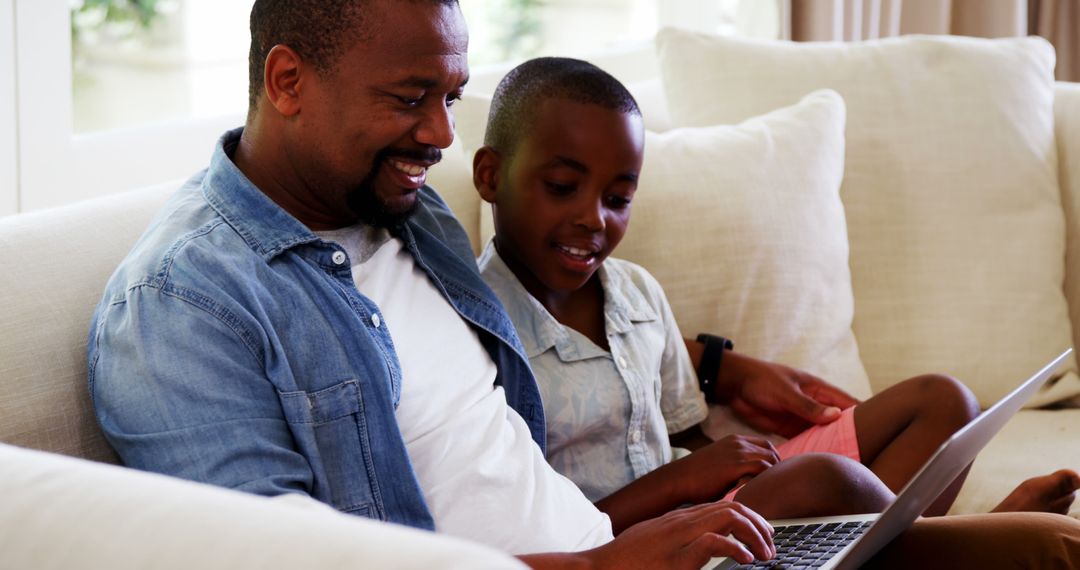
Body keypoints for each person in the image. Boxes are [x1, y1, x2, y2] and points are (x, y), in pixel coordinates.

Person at [86, 0, 1080, 568]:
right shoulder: (184, 304)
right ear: (288, 81)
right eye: (410, 98)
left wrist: (710, 373)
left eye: (450, 97)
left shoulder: (403, 214)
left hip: (628, 552)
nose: (439, 132)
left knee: (1039, 548)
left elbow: (547, 345)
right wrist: (608, 565)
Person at [473, 56, 1080, 533]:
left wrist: (736, 459)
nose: (594, 219)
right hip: (638, 538)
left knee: (943, 401)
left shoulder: (635, 293)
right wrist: (692, 485)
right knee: (826, 482)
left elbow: (681, 435)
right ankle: (972, 543)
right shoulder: (475, 334)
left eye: (619, 197)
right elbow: (540, 528)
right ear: (490, 176)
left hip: (711, 500)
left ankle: (917, 543)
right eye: (561, 186)